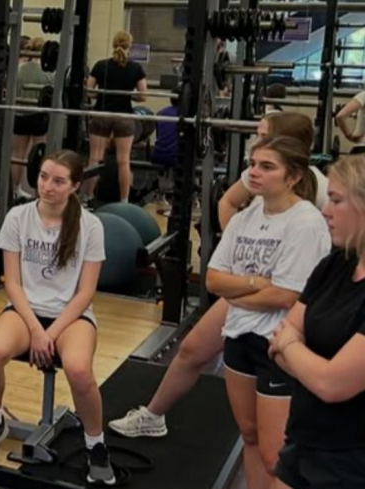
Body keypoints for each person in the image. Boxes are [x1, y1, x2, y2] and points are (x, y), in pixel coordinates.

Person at [112, 112, 331, 443]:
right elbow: (228, 201)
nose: (255, 146)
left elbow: (325, 254)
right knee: (192, 351)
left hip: (290, 303)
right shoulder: (259, 171)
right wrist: (242, 246)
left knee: (277, 421)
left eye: (262, 135)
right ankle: (153, 415)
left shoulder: (318, 192)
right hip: (250, 293)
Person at [196, 137, 329, 489]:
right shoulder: (249, 214)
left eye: (266, 166)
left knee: (278, 454)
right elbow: (212, 278)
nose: (254, 172)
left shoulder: (307, 222)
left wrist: (248, 290)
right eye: (252, 164)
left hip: (278, 345)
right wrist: (257, 285)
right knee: (250, 435)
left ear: (293, 175)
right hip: (239, 337)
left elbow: (288, 295)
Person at [267, 154, 365, 489]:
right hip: (301, 445)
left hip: (347, 465)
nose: (325, 209)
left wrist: (293, 350)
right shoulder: (333, 265)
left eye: (337, 200)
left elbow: (333, 384)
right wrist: (295, 349)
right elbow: (281, 335)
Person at [0, 150, 113, 485]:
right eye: (44, 177)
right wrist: (36, 329)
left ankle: (96, 444)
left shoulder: (91, 227)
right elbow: (13, 283)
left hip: (72, 316)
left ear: (75, 186)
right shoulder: (18, 218)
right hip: (25, 311)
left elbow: (85, 293)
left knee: (78, 370)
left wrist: (51, 332)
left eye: (58, 181)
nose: (47, 186)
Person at [84, 31, 147, 202]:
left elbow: (89, 92)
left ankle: (87, 198)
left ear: (113, 44)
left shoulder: (100, 65)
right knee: (123, 162)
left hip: (101, 114)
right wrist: (127, 95)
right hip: (124, 116)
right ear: (130, 46)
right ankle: (124, 200)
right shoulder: (136, 68)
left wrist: (104, 95)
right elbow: (143, 95)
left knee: (94, 159)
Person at [12, 37, 52, 199]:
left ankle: (16, 190)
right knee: (40, 156)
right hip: (39, 117)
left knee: (17, 155)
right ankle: (39, 193)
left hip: (20, 115)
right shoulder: (48, 73)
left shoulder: (19, 70)